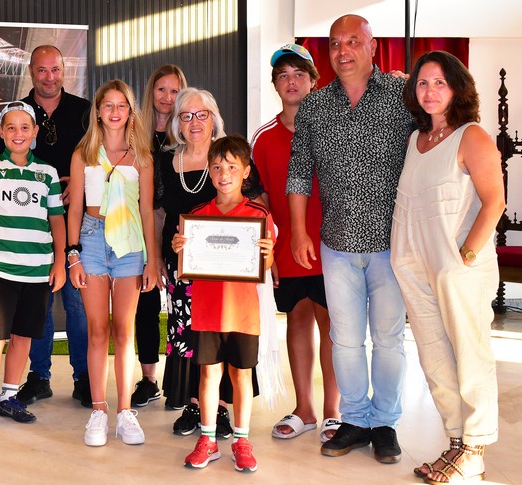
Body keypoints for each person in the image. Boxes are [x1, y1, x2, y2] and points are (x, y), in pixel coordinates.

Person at [286, 14, 413, 464]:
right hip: (336, 245)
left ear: (372, 46)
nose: (343, 51)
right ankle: (355, 420)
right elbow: (299, 172)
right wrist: (298, 230)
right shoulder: (315, 106)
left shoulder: (402, 96)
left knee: (389, 340)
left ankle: (386, 424)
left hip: (391, 245)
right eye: (336, 43)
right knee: (345, 340)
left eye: (353, 41)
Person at [391, 51, 504, 484]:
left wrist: (465, 258)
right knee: (435, 357)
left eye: (440, 82)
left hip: (458, 270)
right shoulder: (416, 140)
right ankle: (456, 441)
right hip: (416, 270)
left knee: (470, 356)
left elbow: (495, 202)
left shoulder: (471, 136)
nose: (430, 91)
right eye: (422, 83)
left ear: (457, 87)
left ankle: (475, 450)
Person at [0, 45, 93, 407]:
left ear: (63, 71)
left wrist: (78, 185)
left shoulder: (85, 111)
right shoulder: (17, 112)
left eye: (55, 70)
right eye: (41, 70)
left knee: (78, 304)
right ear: (31, 72)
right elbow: (3, 165)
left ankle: (84, 377)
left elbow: (100, 159)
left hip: (78, 222)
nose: (49, 77)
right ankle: (39, 376)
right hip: (30, 229)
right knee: (39, 305)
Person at [252, 44, 340, 443]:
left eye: (299, 74)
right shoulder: (263, 139)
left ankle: (333, 412)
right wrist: (267, 250)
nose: (291, 82)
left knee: (333, 325)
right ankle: (305, 408)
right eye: (283, 75)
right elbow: (260, 200)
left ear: (313, 81)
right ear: (275, 84)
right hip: (287, 249)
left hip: (334, 245)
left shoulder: (335, 128)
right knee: (299, 320)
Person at [0, 102, 67, 438]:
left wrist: (60, 262)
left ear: (35, 132)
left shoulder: (47, 173)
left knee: (23, 336)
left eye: (25, 127)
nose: (18, 134)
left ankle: (9, 396)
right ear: (1, 132)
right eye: (11, 127)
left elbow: (57, 220)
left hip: (37, 272)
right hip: (1, 271)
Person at [159, 87, 255, 439]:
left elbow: (255, 205)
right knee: (188, 333)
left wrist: (261, 251)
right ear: (177, 123)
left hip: (228, 271)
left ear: (214, 118)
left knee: (225, 331)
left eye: (202, 114)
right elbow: (158, 213)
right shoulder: (166, 161)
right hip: (182, 263)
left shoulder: (229, 154)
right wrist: (156, 258)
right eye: (186, 116)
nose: (195, 122)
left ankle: (224, 408)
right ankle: (194, 405)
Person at [175, 135, 275, 472]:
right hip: (207, 312)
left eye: (232, 167)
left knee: (241, 375)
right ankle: (207, 440)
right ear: (209, 170)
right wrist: (180, 248)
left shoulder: (259, 215)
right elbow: (187, 266)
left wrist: (268, 254)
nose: (224, 174)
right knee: (208, 375)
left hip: (244, 314)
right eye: (217, 167)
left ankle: (241, 440)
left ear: (246, 171)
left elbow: (267, 263)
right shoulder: (197, 216)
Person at [67, 80, 158, 447]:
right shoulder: (83, 154)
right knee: (97, 331)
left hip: (130, 246)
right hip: (91, 240)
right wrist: (72, 254)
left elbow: (147, 212)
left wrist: (151, 261)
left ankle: (124, 412)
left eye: (122, 105)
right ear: (98, 111)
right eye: (108, 105)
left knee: (123, 330)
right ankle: (98, 410)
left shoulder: (143, 157)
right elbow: (74, 208)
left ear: (131, 112)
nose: (115, 111)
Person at [131, 64, 188, 407]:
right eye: (161, 89)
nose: (167, 97)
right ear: (151, 91)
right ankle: (149, 379)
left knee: (183, 310)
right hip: (141, 230)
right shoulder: (135, 134)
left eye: (174, 90)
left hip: (177, 233)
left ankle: (184, 382)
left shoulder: (187, 134)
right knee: (146, 305)